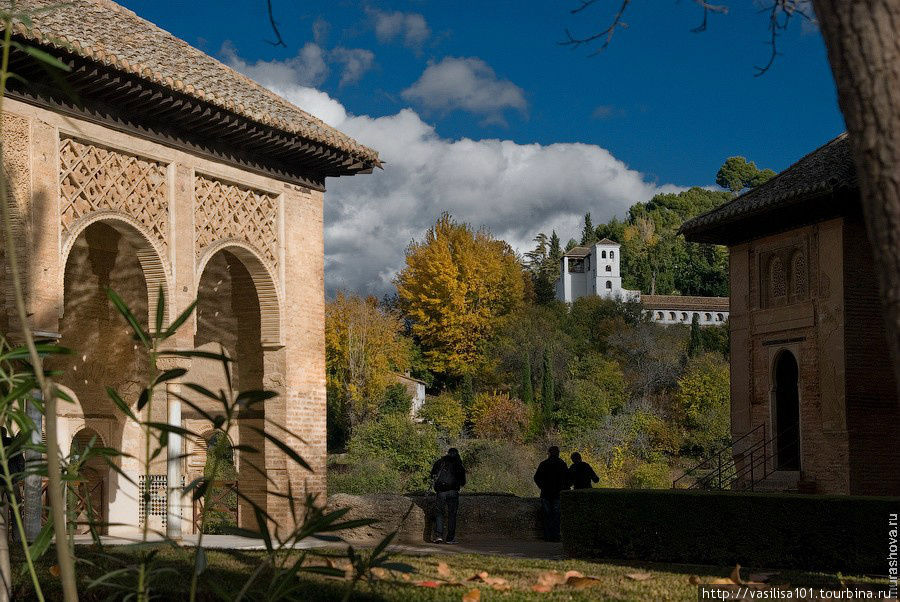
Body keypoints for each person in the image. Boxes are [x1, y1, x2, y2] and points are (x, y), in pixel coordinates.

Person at [429, 447, 466, 544]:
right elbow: (463, 482)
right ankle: (450, 538)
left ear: (448, 453)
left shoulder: (440, 462)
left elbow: (432, 475)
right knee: (452, 515)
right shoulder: (458, 464)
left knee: (439, 514)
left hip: (441, 492)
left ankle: (438, 536)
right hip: (453, 492)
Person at [533, 446, 570, 541]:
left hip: (546, 493)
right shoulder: (562, 464)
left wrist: (542, 487)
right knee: (557, 516)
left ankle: (547, 536)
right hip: (558, 494)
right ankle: (556, 536)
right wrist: (564, 489)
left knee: (547, 515)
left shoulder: (544, 464)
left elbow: (536, 478)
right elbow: (567, 479)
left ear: (549, 453)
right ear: (558, 453)